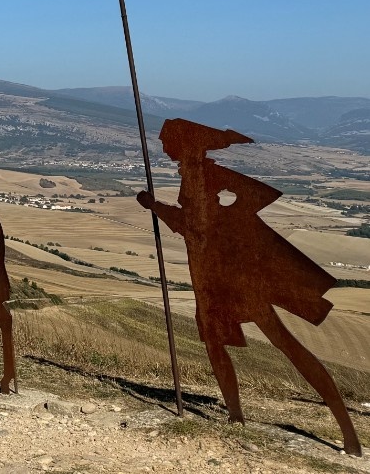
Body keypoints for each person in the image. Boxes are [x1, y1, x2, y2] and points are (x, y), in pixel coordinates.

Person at [138, 118, 360, 456]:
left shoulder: (204, 173)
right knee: (221, 343)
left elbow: (203, 223)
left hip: (225, 276)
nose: (163, 146)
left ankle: (344, 430)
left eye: (167, 140)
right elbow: (200, 222)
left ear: (183, 142)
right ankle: (236, 417)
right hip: (210, 275)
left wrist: (163, 208)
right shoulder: (193, 173)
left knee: (280, 343)